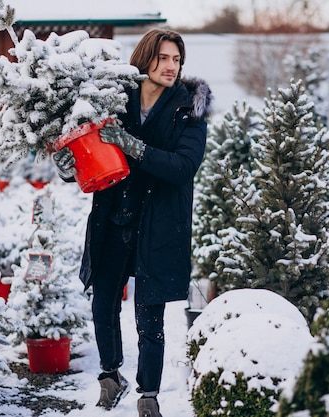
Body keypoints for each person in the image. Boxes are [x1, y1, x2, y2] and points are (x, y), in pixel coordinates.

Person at [53, 28, 212, 417]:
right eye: (163, 58)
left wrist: (133, 145)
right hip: (113, 216)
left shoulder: (188, 110)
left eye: (176, 59)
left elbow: (183, 166)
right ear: (145, 59)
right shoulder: (113, 100)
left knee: (149, 314)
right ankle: (110, 377)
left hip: (159, 223)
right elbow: (90, 149)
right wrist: (67, 164)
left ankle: (148, 396)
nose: (170, 66)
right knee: (103, 301)